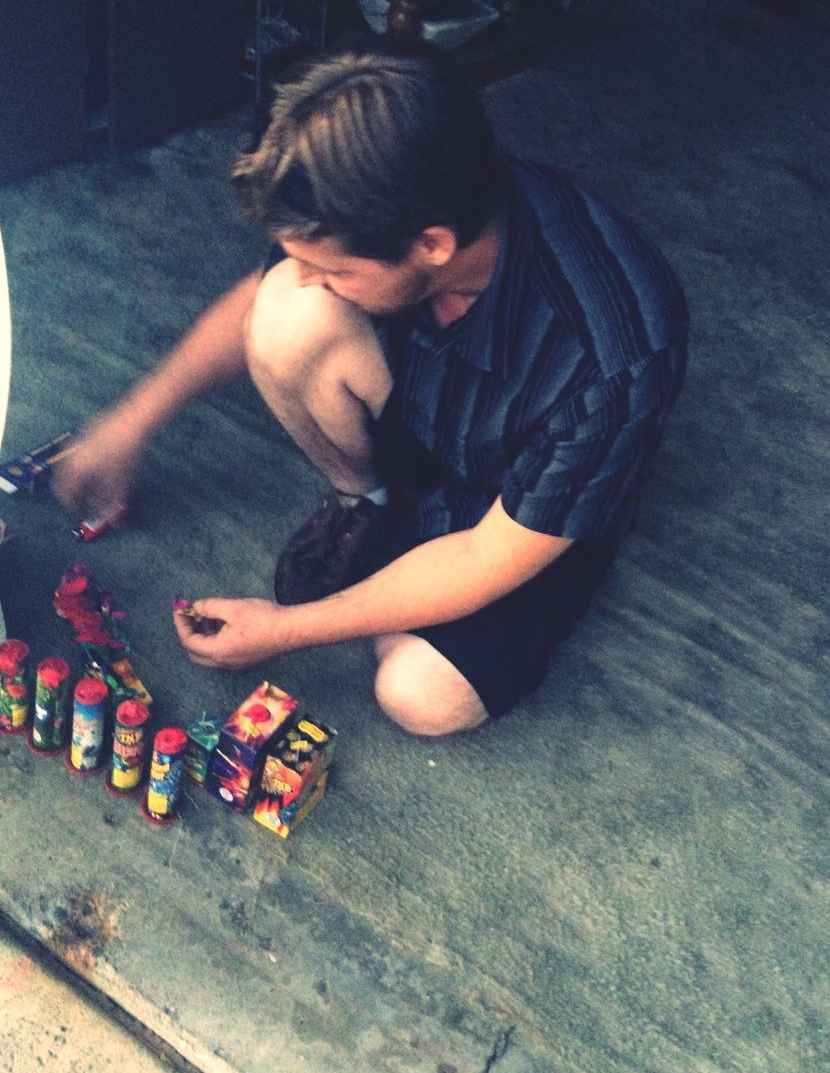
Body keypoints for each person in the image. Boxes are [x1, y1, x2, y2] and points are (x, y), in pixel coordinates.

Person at [55, 38, 688, 738]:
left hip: (516, 511)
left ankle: (397, 558)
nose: (311, 277)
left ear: (433, 245)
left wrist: (287, 630)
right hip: (423, 411)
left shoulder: (615, 357)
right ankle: (365, 500)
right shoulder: (381, 200)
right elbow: (261, 300)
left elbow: (485, 559)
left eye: (337, 270)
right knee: (284, 313)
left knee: (421, 694)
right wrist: (132, 421)